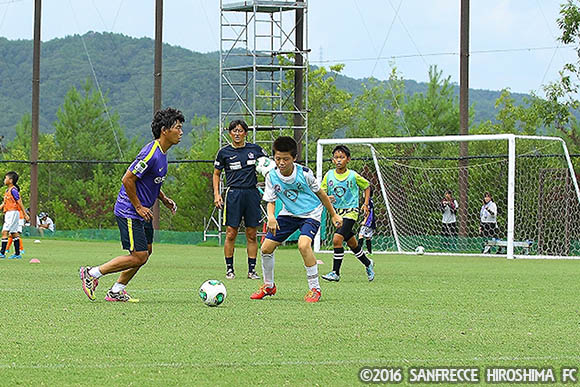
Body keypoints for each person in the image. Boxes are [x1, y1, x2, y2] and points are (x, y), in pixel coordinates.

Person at [79, 107, 183, 302]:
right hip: (130, 211)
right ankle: (91, 274)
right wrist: (138, 207)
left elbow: (151, 182)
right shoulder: (150, 153)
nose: (181, 132)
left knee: (146, 252)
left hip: (143, 213)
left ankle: (116, 290)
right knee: (139, 256)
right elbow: (127, 179)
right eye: (177, 127)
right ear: (164, 130)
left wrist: (164, 199)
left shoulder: (162, 153)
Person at [250, 136, 343, 303]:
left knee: (303, 245)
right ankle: (268, 285)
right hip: (288, 214)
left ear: (294, 158)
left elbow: (321, 194)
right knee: (265, 248)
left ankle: (314, 289)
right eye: (278, 158)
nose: (281, 162)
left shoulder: (305, 174)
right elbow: (270, 200)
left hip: (311, 214)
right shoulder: (271, 176)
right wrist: (271, 216)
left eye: (286, 159)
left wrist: (334, 214)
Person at [213, 119, 267, 280]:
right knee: (231, 233)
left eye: (240, 131)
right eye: (234, 131)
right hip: (233, 194)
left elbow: (269, 165)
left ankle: (252, 270)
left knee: (251, 233)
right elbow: (216, 174)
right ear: (230, 133)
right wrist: (217, 194)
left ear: (245, 133)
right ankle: (229, 269)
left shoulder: (255, 149)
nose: (237, 134)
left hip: (251, 193)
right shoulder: (224, 152)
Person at [320, 145, 375, 282]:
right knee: (352, 244)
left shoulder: (353, 175)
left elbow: (367, 186)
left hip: (351, 212)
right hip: (336, 214)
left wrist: (366, 203)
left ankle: (335, 273)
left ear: (348, 159)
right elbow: (321, 192)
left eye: (342, 157)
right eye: (336, 157)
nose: (339, 160)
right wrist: (327, 197)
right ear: (333, 160)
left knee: (337, 239)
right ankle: (368, 263)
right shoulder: (329, 175)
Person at [0, 171, 30, 259]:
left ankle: (2, 252)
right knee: (14, 233)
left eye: (6, 178)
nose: (4, 180)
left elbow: (19, 201)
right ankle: (17, 253)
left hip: (12, 212)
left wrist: (25, 214)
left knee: (5, 231)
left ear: (11, 180)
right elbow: (4, 203)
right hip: (9, 213)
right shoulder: (7, 191)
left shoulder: (13, 190)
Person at [358, 187, 376, 255]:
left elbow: (368, 212)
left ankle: (358, 251)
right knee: (368, 237)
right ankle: (369, 251)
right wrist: (362, 207)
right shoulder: (370, 200)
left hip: (368, 222)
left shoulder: (368, 200)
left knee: (361, 235)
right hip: (371, 221)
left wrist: (364, 222)